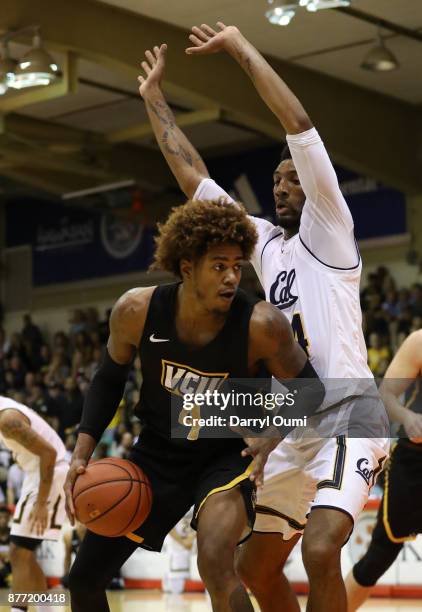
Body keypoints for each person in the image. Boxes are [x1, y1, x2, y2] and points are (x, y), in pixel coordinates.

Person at [137, 27, 389, 612]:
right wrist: (153, 98)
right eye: (276, 179)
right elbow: (195, 180)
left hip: (350, 410)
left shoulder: (331, 229)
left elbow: (298, 122)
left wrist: (239, 48)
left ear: (318, 189)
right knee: (252, 566)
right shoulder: (266, 245)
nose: (281, 186)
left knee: (321, 549)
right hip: (296, 418)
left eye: (292, 178)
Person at [64, 198, 324, 612]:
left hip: (227, 453)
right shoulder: (137, 310)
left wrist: (271, 438)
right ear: (187, 268)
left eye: (238, 266)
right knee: (83, 581)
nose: (231, 277)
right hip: (157, 454)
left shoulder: (261, 325)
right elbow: (109, 378)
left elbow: (310, 389)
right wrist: (82, 450)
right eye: (218, 266)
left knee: (216, 562)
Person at [345, 330, 422, 610]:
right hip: (414, 463)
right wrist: (407, 417)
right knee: (377, 557)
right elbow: (386, 394)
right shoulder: (419, 342)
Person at [0, 395, 68, 612]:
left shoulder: (7, 420)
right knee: (23, 552)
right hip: (38, 474)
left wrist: (41, 503)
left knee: (18, 551)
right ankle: (46, 609)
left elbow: (49, 453)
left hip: (50, 474)